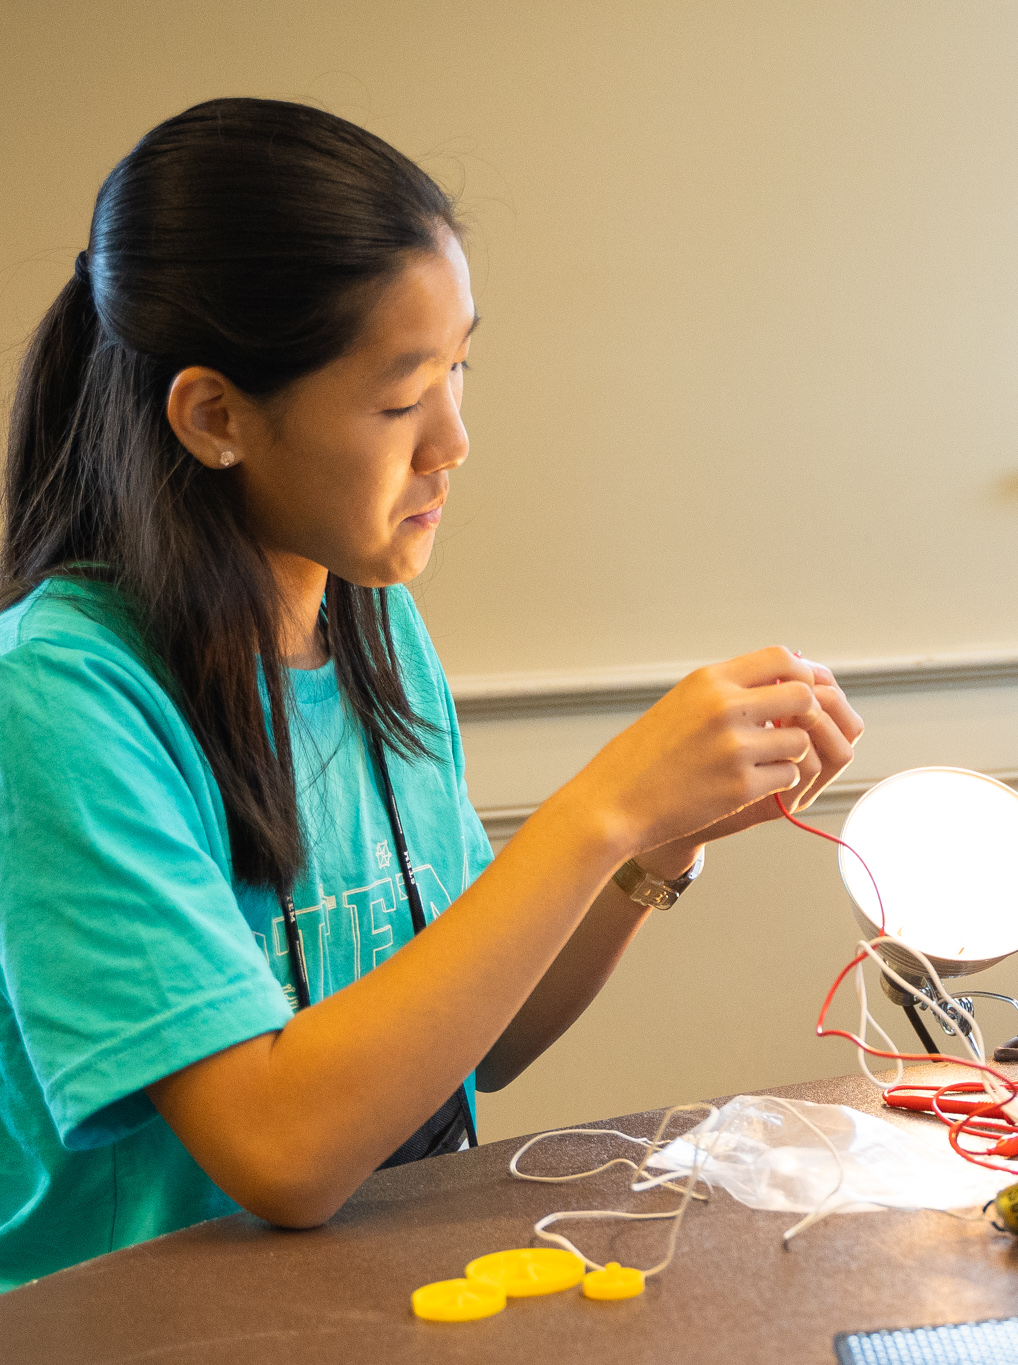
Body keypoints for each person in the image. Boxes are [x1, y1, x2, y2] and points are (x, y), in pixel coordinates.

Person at [0, 98, 862, 1290]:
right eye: (402, 398)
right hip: (135, 1320)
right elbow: (283, 1150)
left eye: (460, 369)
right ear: (215, 417)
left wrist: (655, 846)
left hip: (356, 1303)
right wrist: (601, 807)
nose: (453, 439)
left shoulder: (370, 627)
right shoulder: (61, 697)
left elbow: (482, 1040)